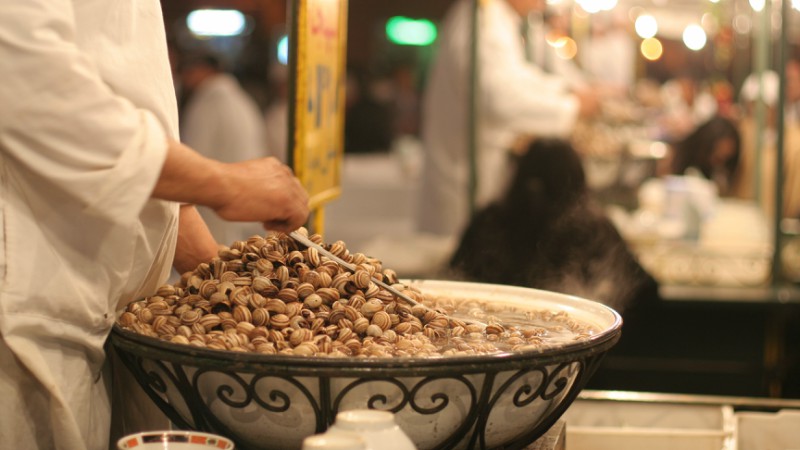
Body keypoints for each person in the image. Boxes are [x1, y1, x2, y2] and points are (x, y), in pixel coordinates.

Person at [0, 3, 309, 449]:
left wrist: (225, 281)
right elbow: (27, 79)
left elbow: (123, 106)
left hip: (95, 326)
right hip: (24, 316)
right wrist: (224, 184)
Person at [417, 0, 598, 238]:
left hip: (480, 173)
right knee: (463, 261)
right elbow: (497, 99)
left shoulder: (497, 18)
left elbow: (515, 76)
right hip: (464, 181)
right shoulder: (481, 19)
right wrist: (571, 108)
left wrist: (566, 91)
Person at [449, 139, 658, 317]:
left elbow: (455, 277)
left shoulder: (490, 218)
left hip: (485, 339)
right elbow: (645, 288)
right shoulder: (592, 226)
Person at [179, 52, 271, 246]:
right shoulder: (240, 98)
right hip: (245, 190)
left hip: (217, 194)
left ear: (205, 70)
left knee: (215, 262)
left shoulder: (208, 101)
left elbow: (192, 154)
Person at [659, 115, 742, 197]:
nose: (719, 161)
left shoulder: (721, 169)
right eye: (717, 154)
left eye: (725, 157)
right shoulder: (679, 155)